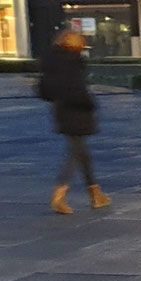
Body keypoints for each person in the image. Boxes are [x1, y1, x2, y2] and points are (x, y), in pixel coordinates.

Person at [38, 28, 108, 214]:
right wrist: (90, 104)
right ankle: (60, 195)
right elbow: (78, 89)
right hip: (77, 110)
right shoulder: (73, 62)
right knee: (76, 152)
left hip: (61, 109)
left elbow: (43, 89)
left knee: (81, 151)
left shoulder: (51, 61)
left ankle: (96, 193)